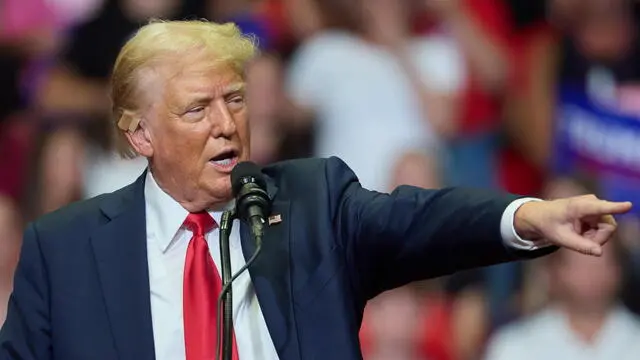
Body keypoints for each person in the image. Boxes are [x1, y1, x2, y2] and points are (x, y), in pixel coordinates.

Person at [0, 20, 633, 360]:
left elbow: (421, 219)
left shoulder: (309, 201)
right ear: (140, 136)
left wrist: (530, 215)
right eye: (197, 110)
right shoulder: (64, 249)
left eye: (236, 100)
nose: (227, 124)